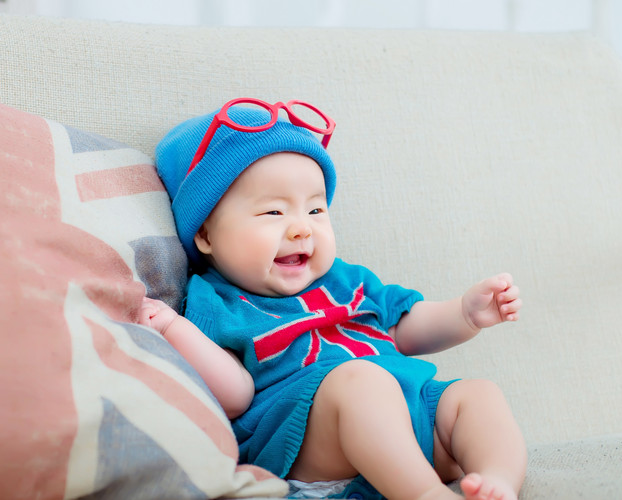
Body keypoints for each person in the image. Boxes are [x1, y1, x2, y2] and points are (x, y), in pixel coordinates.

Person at [139, 98, 527, 500]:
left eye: (316, 210)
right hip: (315, 441)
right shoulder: (216, 301)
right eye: (274, 212)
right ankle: (425, 493)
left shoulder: (347, 280)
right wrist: (172, 327)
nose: (301, 230)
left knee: (477, 395)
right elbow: (235, 395)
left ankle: (495, 481)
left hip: (416, 424)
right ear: (205, 235)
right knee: (359, 381)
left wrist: (464, 314)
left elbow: (406, 330)